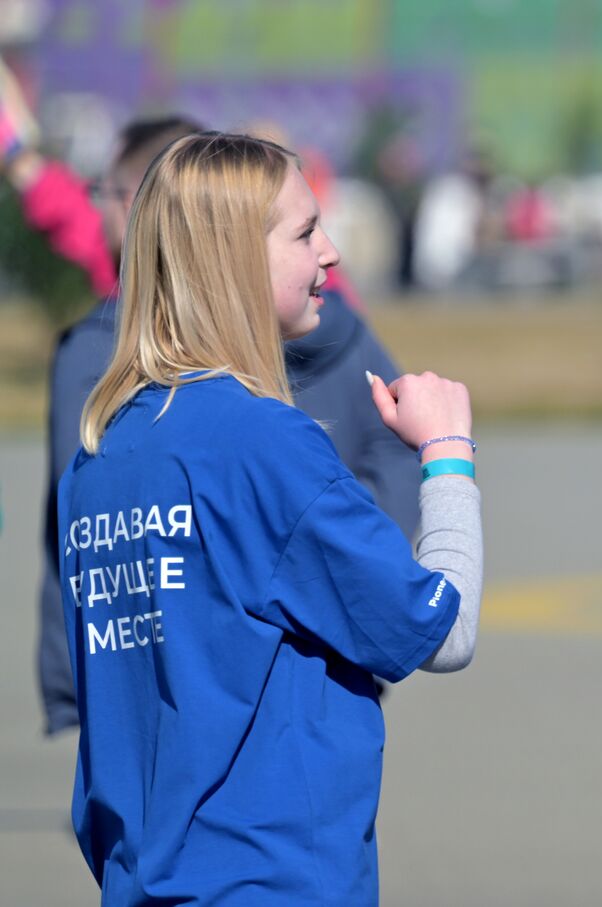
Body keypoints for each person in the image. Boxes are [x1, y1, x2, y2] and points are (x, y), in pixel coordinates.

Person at [58, 132, 481, 904]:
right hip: (270, 879)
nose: (331, 253)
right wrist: (448, 452)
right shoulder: (262, 442)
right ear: (234, 262)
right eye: (305, 232)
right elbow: (440, 630)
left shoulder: (99, 454)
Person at [0, 85, 419, 734]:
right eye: (306, 233)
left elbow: (424, 623)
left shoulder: (184, 404)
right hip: (274, 679)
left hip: (184, 699)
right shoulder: (306, 330)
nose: (325, 253)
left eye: (107, 194)